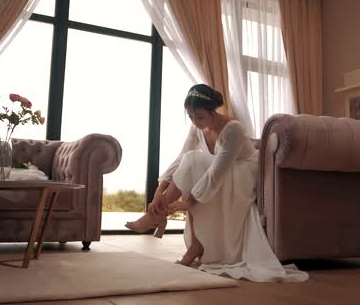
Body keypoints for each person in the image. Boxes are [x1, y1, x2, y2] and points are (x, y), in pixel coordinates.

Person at [125, 84, 308, 282]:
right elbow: (181, 158)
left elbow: (217, 171)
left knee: (195, 163)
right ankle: (183, 235)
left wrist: (190, 201)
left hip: (243, 173)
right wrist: (159, 190)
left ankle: (156, 217)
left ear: (213, 111)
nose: (195, 122)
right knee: (191, 161)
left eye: (200, 117)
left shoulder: (233, 129)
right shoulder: (197, 127)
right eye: (191, 117)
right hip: (219, 173)